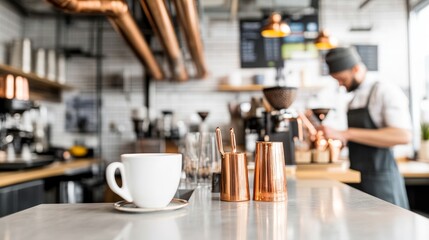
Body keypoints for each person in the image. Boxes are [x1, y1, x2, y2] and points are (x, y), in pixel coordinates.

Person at [320, 47, 412, 209]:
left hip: (382, 182)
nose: (341, 85)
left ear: (356, 69)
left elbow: (403, 136)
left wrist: (346, 134)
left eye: (342, 79)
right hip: (357, 179)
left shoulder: (385, 91)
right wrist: (339, 139)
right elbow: (360, 140)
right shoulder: (354, 98)